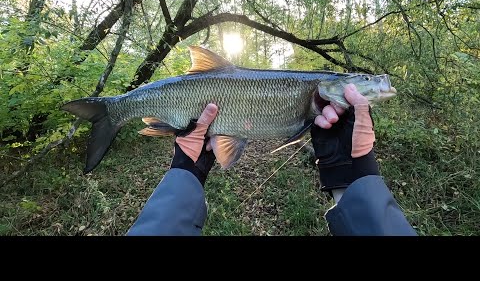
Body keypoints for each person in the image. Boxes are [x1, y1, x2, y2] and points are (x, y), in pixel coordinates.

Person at [126, 84, 417, 236]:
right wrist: (357, 179)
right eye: (362, 81)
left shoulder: (319, 96)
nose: (369, 84)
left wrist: (184, 172)